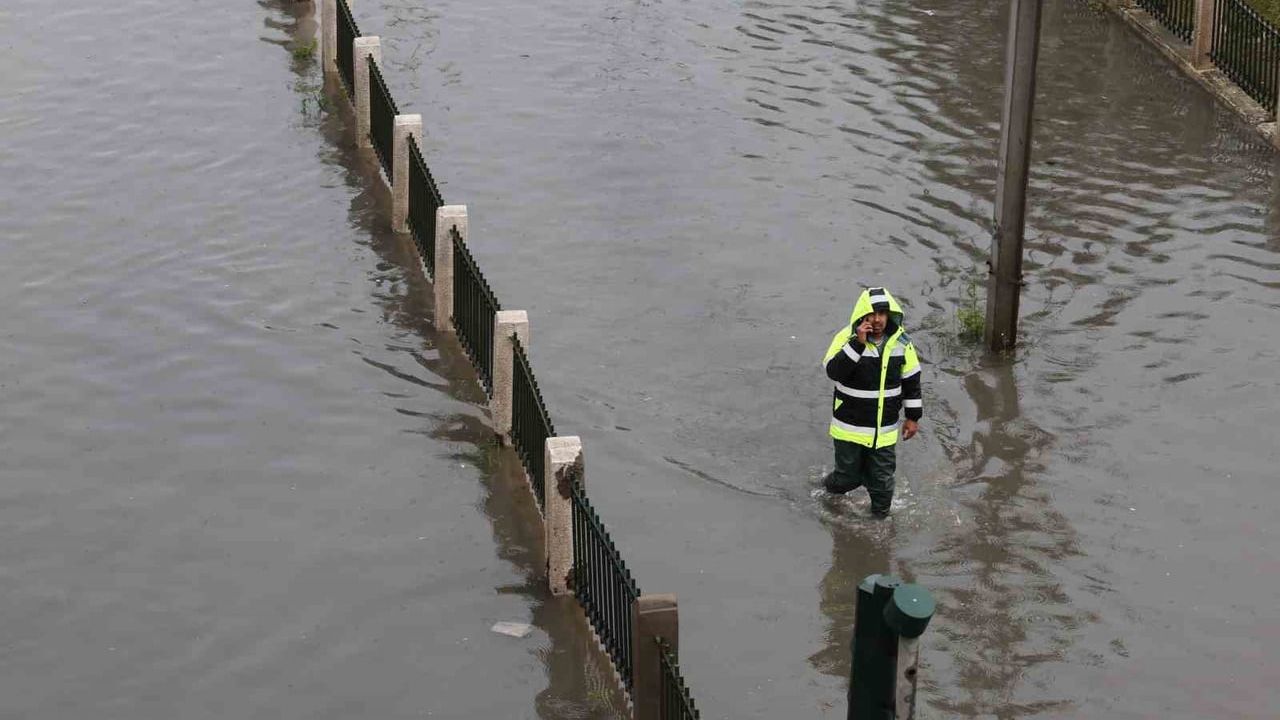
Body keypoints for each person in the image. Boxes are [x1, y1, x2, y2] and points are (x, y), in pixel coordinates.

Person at [821, 287, 922, 517]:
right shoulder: (845, 338)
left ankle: (879, 533)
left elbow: (912, 382)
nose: (877, 320)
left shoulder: (902, 343)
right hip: (849, 430)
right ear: (862, 316)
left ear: (889, 316)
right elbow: (833, 371)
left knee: (883, 485)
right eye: (872, 314)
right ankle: (826, 491)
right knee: (847, 479)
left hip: (883, 432)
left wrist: (913, 418)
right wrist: (858, 343)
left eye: (882, 314)